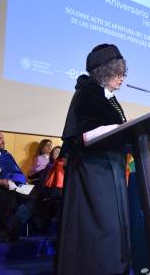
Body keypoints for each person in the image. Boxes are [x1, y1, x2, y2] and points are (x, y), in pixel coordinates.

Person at [57, 44, 131, 275]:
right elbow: (81, 133)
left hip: (110, 168)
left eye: (123, 73)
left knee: (112, 222)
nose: (122, 78)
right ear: (103, 72)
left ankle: (114, 266)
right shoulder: (87, 93)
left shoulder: (109, 98)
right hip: (91, 170)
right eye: (117, 73)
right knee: (98, 222)